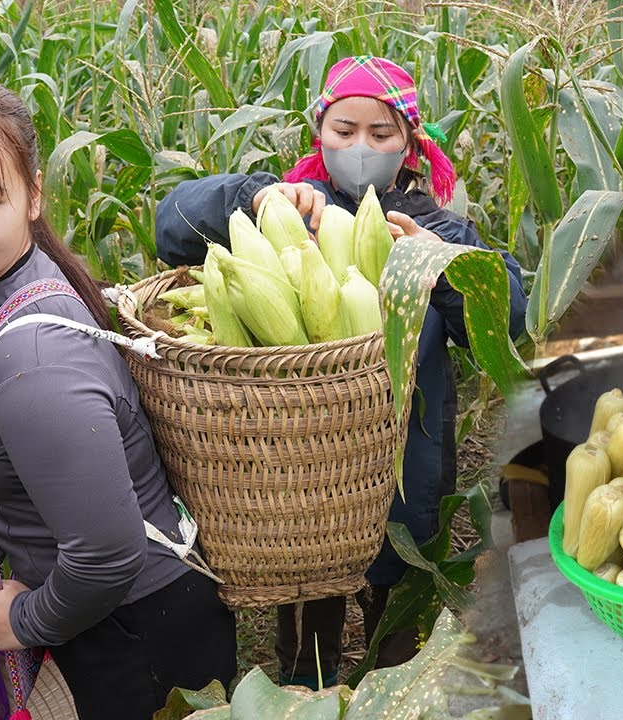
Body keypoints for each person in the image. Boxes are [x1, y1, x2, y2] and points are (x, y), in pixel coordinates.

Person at [155, 54, 528, 687]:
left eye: (381, 135)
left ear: (410, 141)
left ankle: (392, 673)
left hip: (407, 466)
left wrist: (444, 266)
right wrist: (256, 196)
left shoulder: (438, 226)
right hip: (307, 477)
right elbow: (174, 226)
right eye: (344, 131)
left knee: (397, 627)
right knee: (309, 636)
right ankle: (307, 684)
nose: (361, 147)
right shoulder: (296, 208)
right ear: (319, 134)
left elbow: (507, 316)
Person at [0, 78, 237, 719]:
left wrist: (22, 620)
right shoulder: (1, 294)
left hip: (136, 639)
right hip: (101, 613)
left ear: (32, 197)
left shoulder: (34, 362)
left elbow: (109, 557)